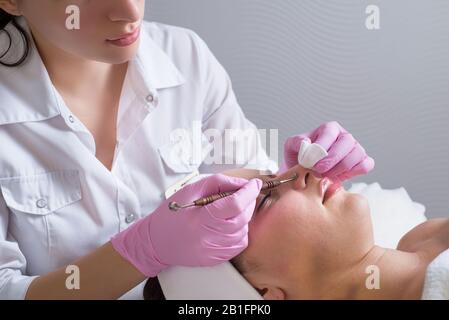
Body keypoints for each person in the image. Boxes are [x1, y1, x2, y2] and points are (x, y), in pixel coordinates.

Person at [0, 0, 374, 299]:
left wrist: (287, 175)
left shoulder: (187, 57)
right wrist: (142, 249)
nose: (130, 12)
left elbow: (247, 175)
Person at [144, 165, 449, 300]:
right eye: (265, 199)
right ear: (264, 293)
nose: (300, 170)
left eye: (274, 175)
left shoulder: (424, 238)